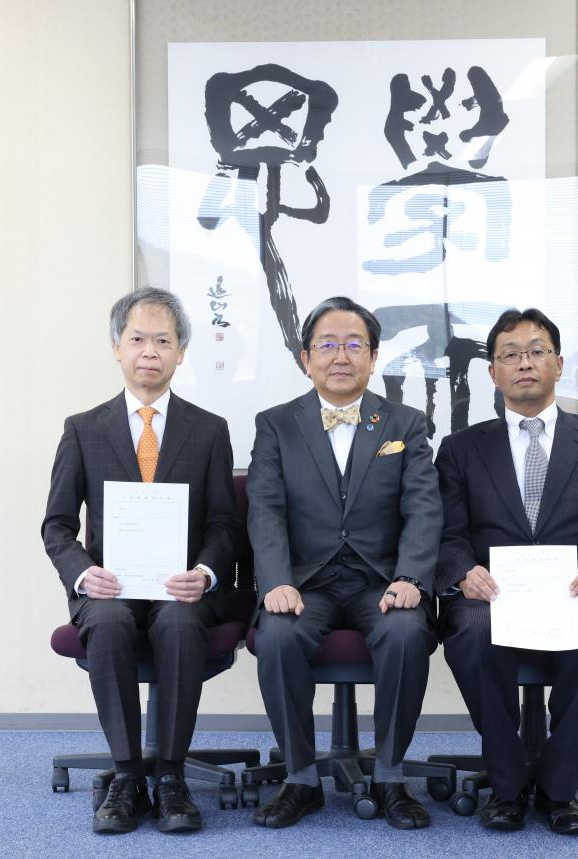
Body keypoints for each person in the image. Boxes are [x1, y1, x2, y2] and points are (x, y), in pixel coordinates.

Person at [435, 308, 578, 835]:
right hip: (492, 590)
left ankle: (559, 788)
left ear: (558, 364)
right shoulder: (461, 448)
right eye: (510, 355)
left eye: (536, 352)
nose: (524, 363)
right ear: (494, 373)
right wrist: (463, 572)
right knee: (471, 631)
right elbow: (444, 529)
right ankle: (506, 785)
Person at [42, 287, 238, 834]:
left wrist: (205, 574)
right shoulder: (83, 428)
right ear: (117, 348)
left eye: (163, 341)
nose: (149, 351)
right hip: (110, 587)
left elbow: (225, 523)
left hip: (181, 588)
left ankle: (171, 776)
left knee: (178, 622)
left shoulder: (210, 429)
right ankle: (127, 775)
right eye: (137, 339)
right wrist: (84, 573)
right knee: (107, 622)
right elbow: (57, 524)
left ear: (181, 352)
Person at [247, 296, 442, 829]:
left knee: (406, 632)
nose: (340, 356)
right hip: (304, 583)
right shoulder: (276, 424)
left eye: (354, 345)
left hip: (380, 581)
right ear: (306, 358)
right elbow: (265, 509)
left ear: (373, 358)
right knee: (278, 636)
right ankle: (301, 779)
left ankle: (390, 776)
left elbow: (423, 508)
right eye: (327, 345)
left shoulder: (406, 423)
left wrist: (410, 577)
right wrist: (276, 581)